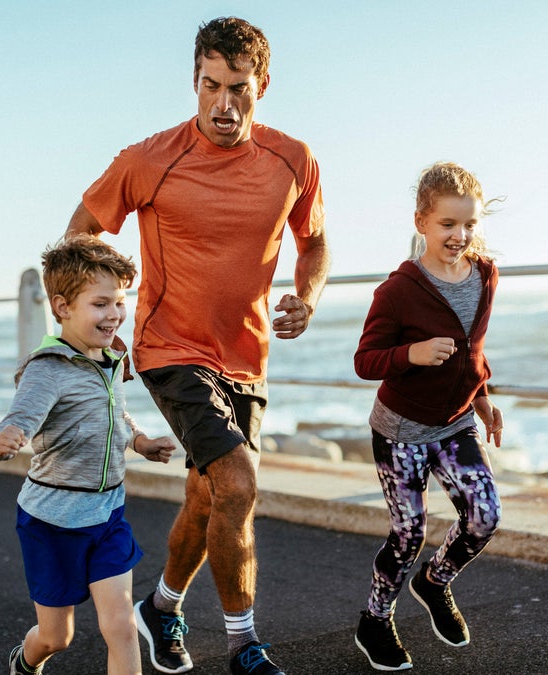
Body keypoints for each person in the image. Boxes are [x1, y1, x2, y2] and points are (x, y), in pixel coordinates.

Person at [64, 16, 329, 675]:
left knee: (209, 497)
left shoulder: (293, 159)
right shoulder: (149, 159)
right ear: (194, 81)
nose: (223, 103)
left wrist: (308, 295)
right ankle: (243, 642)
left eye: (238, 88)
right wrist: (97, 321)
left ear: (262, 84)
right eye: (210, 86)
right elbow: (81, 232)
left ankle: (163, 602)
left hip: (247, 355)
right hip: (169, 347)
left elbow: (314, 240)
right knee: (238, 479)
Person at [0, 234, 177, 675]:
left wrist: (141, 441)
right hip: (51, 522)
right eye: (100, 303)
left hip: (108, 514)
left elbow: (114, 415)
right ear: (62, 306)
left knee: (123, 627)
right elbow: (19, 417)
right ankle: (25, 660)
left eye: (119, 302)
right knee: (58, 636)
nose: (114, 314)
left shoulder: (109, 357)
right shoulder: (48, 369)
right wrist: (5, 438)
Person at [351, 162, 505, 671]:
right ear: (421, 221)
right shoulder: (397, 291)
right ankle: (375, 618)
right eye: (447, 225)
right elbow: (365, 360)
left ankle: (434, 582)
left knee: (484, 516)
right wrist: (412, 353)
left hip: (457, 421)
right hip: (401, 431)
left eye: (469, 225)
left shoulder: (484, 274)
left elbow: (473, 349)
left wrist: (482, 398)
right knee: (409, 532)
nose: (459, 236)